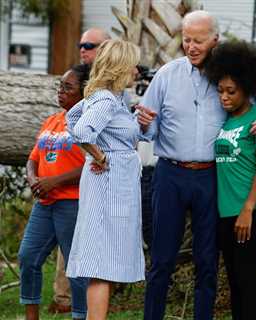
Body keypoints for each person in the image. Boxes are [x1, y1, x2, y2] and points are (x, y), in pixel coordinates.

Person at [138, 10, 256, 320]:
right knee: (162, 259)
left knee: (207, 261)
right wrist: (141, 124)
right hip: (169, 174)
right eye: (186, 40)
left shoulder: (229, 78)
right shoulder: (166, 75)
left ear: (215, 40)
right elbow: (146, 128)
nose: (191, 47)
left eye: (198, 40)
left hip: (210, 179)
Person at [66, 39, 155, 320]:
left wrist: (140, 126)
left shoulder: (114, 98)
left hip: (115, 181)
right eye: (133, 65)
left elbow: (71, 116)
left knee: (106, 259)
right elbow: (80, 131)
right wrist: (100, 156)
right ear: (120, 67)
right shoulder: (105, 99)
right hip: (109, 183)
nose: (136, 72)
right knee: (102, 262)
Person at [204, 40, 256, 320]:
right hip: (227, 212)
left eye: (231, 91)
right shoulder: (224, 120)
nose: (224, 96)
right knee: (234, 281)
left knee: (246, 279)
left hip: (254, 210)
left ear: (246, 89)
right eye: (220, 90)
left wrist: (247, 209)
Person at [18, 64, 91, 320]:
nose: (60, 91)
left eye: (67, 87)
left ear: (84, 91)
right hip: (44, 203)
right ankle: (31, 316)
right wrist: (33, 178)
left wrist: (56, 181)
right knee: (28, 257)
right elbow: (33, 158)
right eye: (59, 86)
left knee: (76, 266)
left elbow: (95, 164)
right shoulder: (52, 120)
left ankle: (81, 315)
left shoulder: (88, 123)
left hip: (72, 203)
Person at [48, 27, 112, 315]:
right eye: (81, 45)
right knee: (71, 246)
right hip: (78, 180)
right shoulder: (77, 79)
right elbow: (74, 124)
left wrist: (98, 155)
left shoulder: (111, 87)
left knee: (91, 246)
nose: (83, 49)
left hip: (105, 177)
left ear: (106, 48)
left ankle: (83, 303)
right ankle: (66, 299)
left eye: (91, 45)